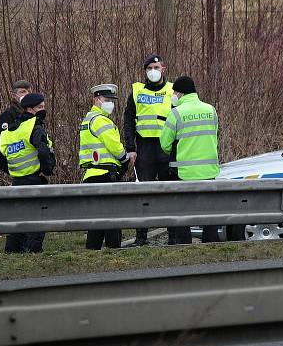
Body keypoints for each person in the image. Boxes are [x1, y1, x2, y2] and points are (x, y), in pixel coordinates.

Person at [159, 76, 220, 244]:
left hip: (184, 173)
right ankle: (211, 244)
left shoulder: (176, 113)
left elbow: (164, 145)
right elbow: (215, 136)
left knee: (182, 213)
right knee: (209, 214)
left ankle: (185, 244)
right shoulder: (211, 110)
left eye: (174, 93)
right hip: (209, 171)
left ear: (180, 93)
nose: (173, 96)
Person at [122, 54, 174, 247]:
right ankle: (141, 237)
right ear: (145, 70)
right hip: (144, 148)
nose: (153, 71)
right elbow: (128, 120)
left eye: (156, 67)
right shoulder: (136, 90)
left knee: (169, 191)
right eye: (150, 68)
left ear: (163, 68)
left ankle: (173, 236)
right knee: (143, 193)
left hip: (166, 147)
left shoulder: (172, 90)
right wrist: (130, 148)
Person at [0, 93, 55, 253]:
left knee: (18, 216)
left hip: (17, 180)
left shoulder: (10, 131)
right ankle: (32, 249)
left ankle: (12, 249)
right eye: (40, 107)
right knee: (39, 216)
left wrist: (9, 169)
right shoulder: (34, 126)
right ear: (30, 109)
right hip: (34, 179)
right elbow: (43, 151)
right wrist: (47, 169)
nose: (43, 110)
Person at [79, 84, 131, 250]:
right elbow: (115, 146)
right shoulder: (101, 120)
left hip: (91, 174)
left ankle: (92, 250)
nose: (111, 104)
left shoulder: (87, 119)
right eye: (107, 100)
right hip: (106, 175)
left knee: (96, 220)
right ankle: (113, 251)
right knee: (112, 218)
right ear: (96, 99)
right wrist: (125, 159)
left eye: (112, 101)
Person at [0, 80, 33, 174]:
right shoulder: (7, 117)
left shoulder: (34, 114)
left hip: (35, 168)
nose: (27, 94)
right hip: (17, 170)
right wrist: (10, 169)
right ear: (14, 95)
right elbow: (0, 147)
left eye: (29, 92)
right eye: (23, 92)